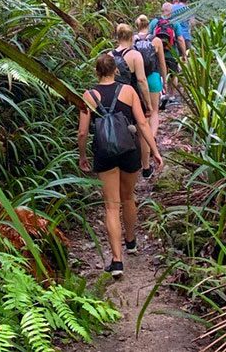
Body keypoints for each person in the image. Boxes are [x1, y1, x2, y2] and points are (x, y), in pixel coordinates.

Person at [78, 54, 164, 277]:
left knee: (110, 206)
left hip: (104, 153)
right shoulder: (128, 91)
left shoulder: (88, 96)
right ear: (116, 70)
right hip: (129, 150)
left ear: (97, 72)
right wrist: (154, 151)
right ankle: (131, 241)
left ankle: (117, 261)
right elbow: (142, 123)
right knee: (128, 198)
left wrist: (82, 156)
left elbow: (82, 132)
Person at [134, 15, 166, 178]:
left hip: (137, 81)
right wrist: (164, 80)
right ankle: (151, 140)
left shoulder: (132, 41)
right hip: (153, 79)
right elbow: (161, 63)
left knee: (141, 119)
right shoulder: (156, 40)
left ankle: (145, 162)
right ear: (149, 26)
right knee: (154, 113)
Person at [108, 24, 152, 116]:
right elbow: (141, 80)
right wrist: (148, 104)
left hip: (113, 97)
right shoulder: (135, 55)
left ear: (118, 38)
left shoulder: (109, 55)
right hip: (132, 95)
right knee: (140, 124)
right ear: (132, 38)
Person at [149, 2, 187, 105]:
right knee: (173, 74)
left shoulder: (154, 22)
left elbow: (149, 37)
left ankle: (161, 95)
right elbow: (180, 39)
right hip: (171, 53)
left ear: (162, 10)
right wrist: (183, 54)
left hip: (156, 54)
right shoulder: (175, 23)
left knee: (159, 74)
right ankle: (171, 96)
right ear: (171, 11)